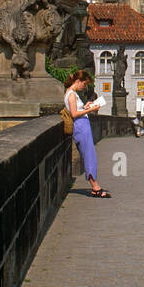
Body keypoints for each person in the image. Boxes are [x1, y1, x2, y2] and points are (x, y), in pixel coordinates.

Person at [64, 69, 110, 197]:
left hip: (82, 125)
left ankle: (95, 185)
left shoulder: (71, 93)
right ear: (78, 81)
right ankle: (95, 186)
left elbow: (76, 110)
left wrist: (86, 106)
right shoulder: (72, 94)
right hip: (80, 127)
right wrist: (90, 110)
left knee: (89, 154)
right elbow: (74, 114)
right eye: (84, 84)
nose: (84, 87)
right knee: (89, 155)